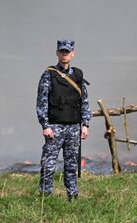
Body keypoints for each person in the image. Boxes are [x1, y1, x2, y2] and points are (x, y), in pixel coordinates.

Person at [36, 39, 91, 200]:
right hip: (54, 127)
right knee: (48, 164)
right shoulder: (49, 74)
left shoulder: (78, 75)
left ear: (72, 54)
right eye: (62, 51)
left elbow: (85, 101)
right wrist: (45, 125)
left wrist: (85, 124)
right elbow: (42, 101)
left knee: (72, 165)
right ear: (57, 53)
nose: (64, 54)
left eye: (67, 52)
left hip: (74, 127)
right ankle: (45, 198)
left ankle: (72, 197)